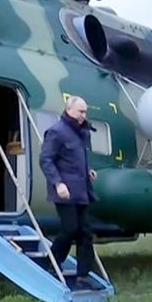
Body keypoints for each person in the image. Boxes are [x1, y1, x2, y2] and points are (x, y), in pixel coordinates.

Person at [39, 96, 99, 290]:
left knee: (86, 233)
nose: (84, 115)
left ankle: (83, 275)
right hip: (64, 191)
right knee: (70, 228)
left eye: (85, 111)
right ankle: (52, 262)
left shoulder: (82, 132)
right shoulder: (56, 132)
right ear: (69, 110)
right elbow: (46, 160)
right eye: (81, 111)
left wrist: (88, 171)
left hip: (82, 190)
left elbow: (77, 158)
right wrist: (57, 183)